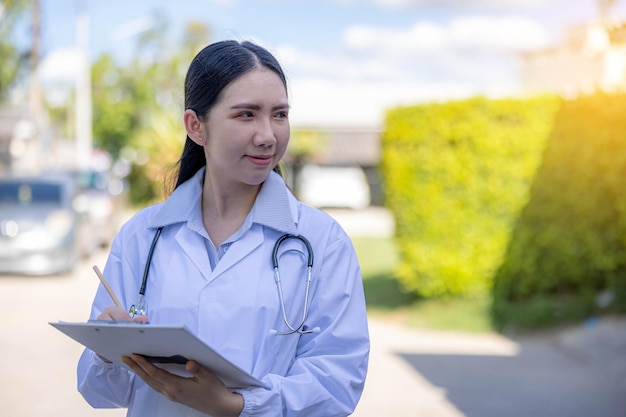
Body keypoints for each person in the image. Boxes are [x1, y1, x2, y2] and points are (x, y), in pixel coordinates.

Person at [76, 39, 370, 417]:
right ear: (196, 126)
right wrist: (107, 349)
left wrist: (237, 406)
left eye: (279, 114)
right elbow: (101, 392)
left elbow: (337, 382)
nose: (268, 135)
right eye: (247, 114)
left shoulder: (322, 242)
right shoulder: (143, 236)